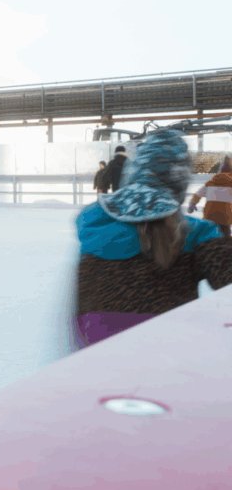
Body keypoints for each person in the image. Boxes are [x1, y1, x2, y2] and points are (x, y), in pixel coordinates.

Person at [73, 130, 232, 349]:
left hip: (94, 357)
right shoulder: (196, 233)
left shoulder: (94, 224)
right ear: (180, 181)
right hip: (165, 355)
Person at [188, 155, 232, 239]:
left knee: (207, 236)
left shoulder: (210, 183)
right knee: (225, 236)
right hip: (226, 215)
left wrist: (192, 204)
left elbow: (197, 195)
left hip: (209, 214)